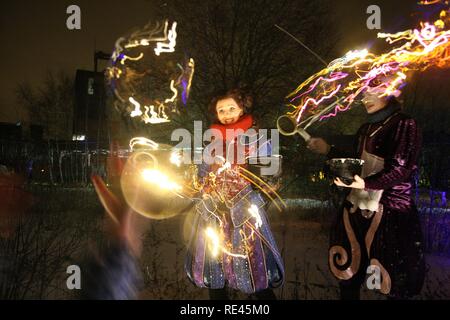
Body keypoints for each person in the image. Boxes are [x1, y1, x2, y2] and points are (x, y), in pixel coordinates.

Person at [307, 79, 425, 299]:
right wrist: (328, 150)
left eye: (373, 92)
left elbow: (400, 167)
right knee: (350, 275)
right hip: (356, 211)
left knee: (388, 280)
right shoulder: (367, 128)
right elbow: (356, 161)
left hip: (388, 215)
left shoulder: (404, 124)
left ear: (392, 92)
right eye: (364, 93)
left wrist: (367, 183)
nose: (365, 98)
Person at [184, 89, 284, 299]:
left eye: (231, 108)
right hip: (213, 216)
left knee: (254, 272)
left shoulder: (257, 139)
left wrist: (258, 195)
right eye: (221, 110)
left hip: (244, 217)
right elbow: (201, 176)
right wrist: (195, 184)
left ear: (242, 109)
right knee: (215, 271)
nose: (226, 113)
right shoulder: (211, 143)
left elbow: (270, 177)